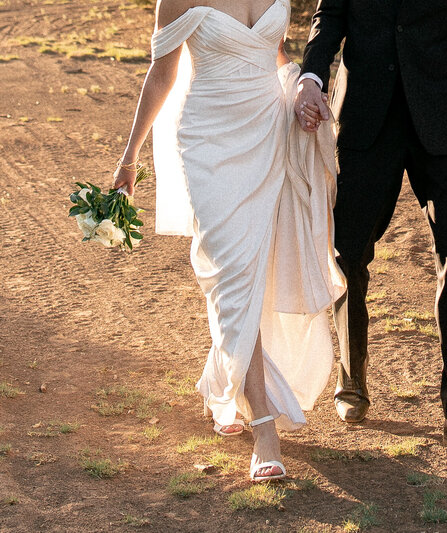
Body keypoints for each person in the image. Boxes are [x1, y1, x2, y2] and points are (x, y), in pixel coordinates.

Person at [112, 0, 344, 481]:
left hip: (270, 131)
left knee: (254, 267)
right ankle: (264, 427)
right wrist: (130, 155)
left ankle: (229, 377)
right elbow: (162, 75)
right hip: (209, 141)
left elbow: (275, 55)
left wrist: (303, 88)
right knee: (233, 271)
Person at [294, 0, 447, 462]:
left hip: (440, 118)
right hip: (364, 117)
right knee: (347, 252)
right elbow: (330, 18)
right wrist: (311, 77)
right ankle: (351, 372)